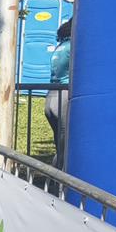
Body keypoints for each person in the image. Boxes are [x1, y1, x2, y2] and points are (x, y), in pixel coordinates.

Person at [46, 19, 72, 169]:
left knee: (59, 145)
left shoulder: (61, 46)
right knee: (65, 145)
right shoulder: (73, 46)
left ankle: (54, 177)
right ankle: (60, 179)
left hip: (51, 96)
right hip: (64, 96)